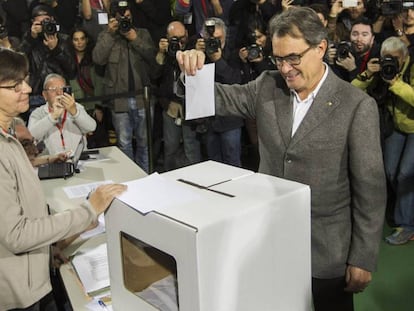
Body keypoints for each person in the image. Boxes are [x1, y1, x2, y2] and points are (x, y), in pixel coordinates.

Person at [177, 7, 386, 311]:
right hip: (269, 241)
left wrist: (362, 257)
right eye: (278, 58)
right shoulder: (267, 86)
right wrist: (191, 73)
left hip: (326, 252)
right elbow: (217, 98)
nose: (285, 69)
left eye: (293, 58)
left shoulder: (357, 106)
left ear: (321, 48)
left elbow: (370, 189)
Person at [0, 47, 127, 311]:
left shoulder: (8, 133)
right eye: (15, 86)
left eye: (25, 80)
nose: (26, 89)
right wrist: (89, 209)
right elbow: (16, 234)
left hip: (32, 273)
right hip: (19, 290)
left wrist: (48, 250)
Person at [352, 36, 414, 244]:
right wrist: (369, 72)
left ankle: (406, 224)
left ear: (404, 57)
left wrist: (395, 83)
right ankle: (407, 210)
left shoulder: (412, 67)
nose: (390, 62)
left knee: (405, 173)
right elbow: (353, 90)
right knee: (389, 170)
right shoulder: (382, 69)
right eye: (386, 58)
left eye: (394, 59)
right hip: (395, 127)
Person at [92, 0, 159, 173]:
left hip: (142, 98)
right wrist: (109, 33)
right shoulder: (106, 35)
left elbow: (153, 58)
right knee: (124, 142)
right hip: (118, 99)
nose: (125, 20)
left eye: (128, 16)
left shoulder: (142, 33)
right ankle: (130, 179)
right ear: (113, 18)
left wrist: (134, 39)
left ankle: (145, 177)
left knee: (145, 142)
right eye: (121, 17)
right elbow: (98, 59)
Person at [196, 17, 243, 166]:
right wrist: (197, 55)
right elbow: (191, 81)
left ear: (225, 35)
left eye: (218, 38)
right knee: (213, 164)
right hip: (209, 118)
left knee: (232, 162)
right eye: (211, 38)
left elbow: (235, 81)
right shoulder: (200, 54)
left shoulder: (235, 53)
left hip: (230, 118)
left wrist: (218, 60)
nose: (214, 42)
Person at [156, 20, 202, 171]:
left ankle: (195, 183)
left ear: (187, 35)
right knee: (170, 148)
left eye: (182, 38)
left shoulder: (193, 50)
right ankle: (169, 181)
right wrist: (161, 54)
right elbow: (154, 76)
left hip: (190, 109)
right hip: (170, 107)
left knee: (191, 149)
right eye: (175, 39)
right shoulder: (166, 53)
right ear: (168, 38)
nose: (180, 43)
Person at [19, 4, 76, 113]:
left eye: (46, 21)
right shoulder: (29, 39)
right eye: (39, 23)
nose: (44, 26)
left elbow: (72, 71)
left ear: (52, 20)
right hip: (36, 96)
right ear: (32, 23)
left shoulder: (64, 39)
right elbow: (18, 61)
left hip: (60, 94)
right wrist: (31, 38)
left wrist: (56, 49)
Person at [28, 73, 97, 155]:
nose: (59, 93)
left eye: (62, 89)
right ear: (45, 95)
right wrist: (53, 117)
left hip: (79, 159)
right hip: (52, 162)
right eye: (53, 89)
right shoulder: (38, 113)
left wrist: (75, 113)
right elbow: (31, 136)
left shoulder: (76, 108)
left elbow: (91, 127)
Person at [327, 17, 380, 82]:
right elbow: (335, 85)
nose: (359, 39)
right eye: (355, 34)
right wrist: (331, 63)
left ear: (372, 39)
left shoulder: (377, 58)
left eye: (364, 35)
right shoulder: (343, 51)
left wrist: (352, 70)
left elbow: (366, 90)